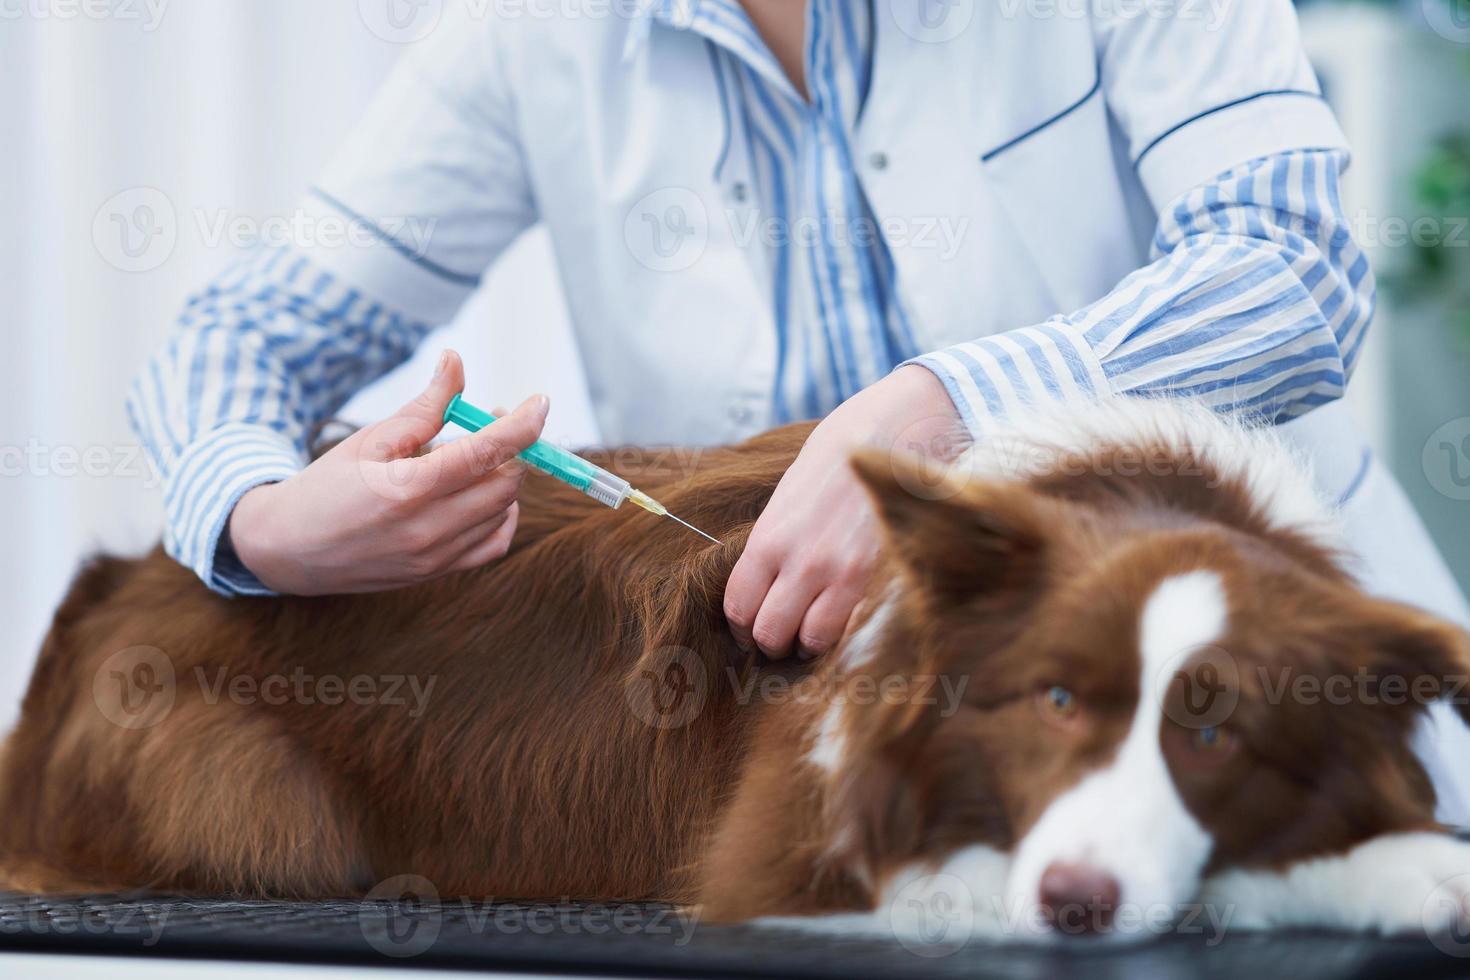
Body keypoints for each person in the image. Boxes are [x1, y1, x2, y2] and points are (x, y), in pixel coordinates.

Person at [130, 0, 1470, 816]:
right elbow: (243, 333)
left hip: (1274, 746)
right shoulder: (532, 31)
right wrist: (259, 518)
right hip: (834, 794)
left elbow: (1290, 270)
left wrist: (943, 413)